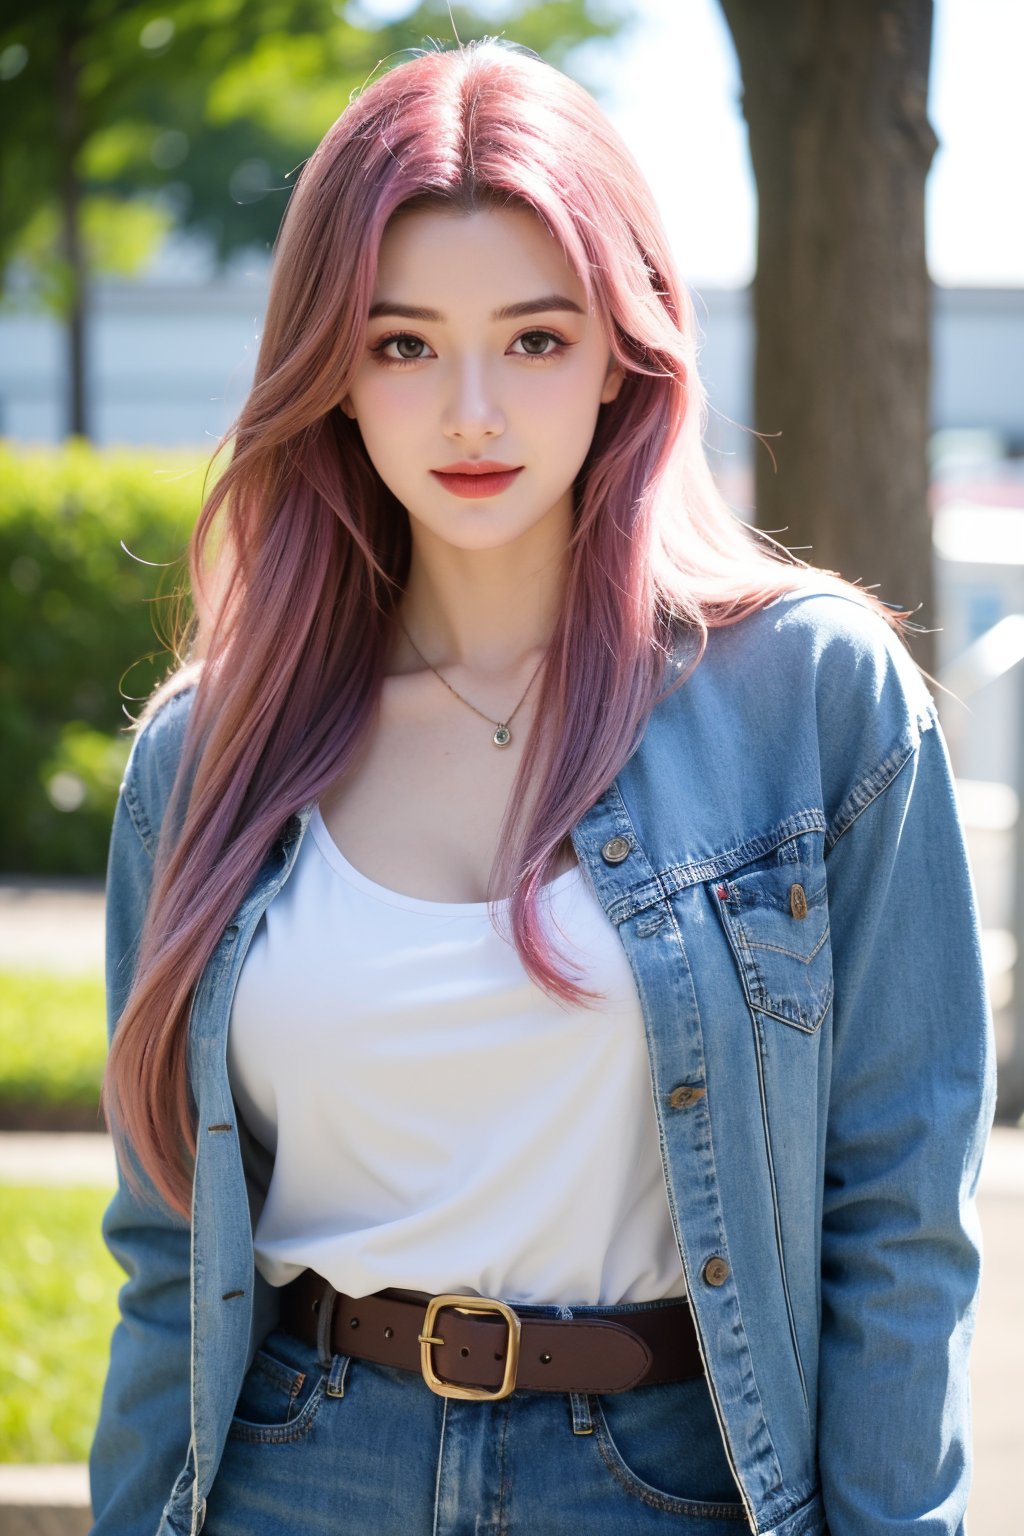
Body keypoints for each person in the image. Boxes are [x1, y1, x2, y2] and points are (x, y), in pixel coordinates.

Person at [89, 36, 994, 1536]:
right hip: (295, 1473)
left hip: (661, 1481)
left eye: (534, 338)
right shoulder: (206, 756)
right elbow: (165, 1247)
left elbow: (898, 1226)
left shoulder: (811, 702)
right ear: (330, 369)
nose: (471, 415)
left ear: (626, 349)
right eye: (401, 344)